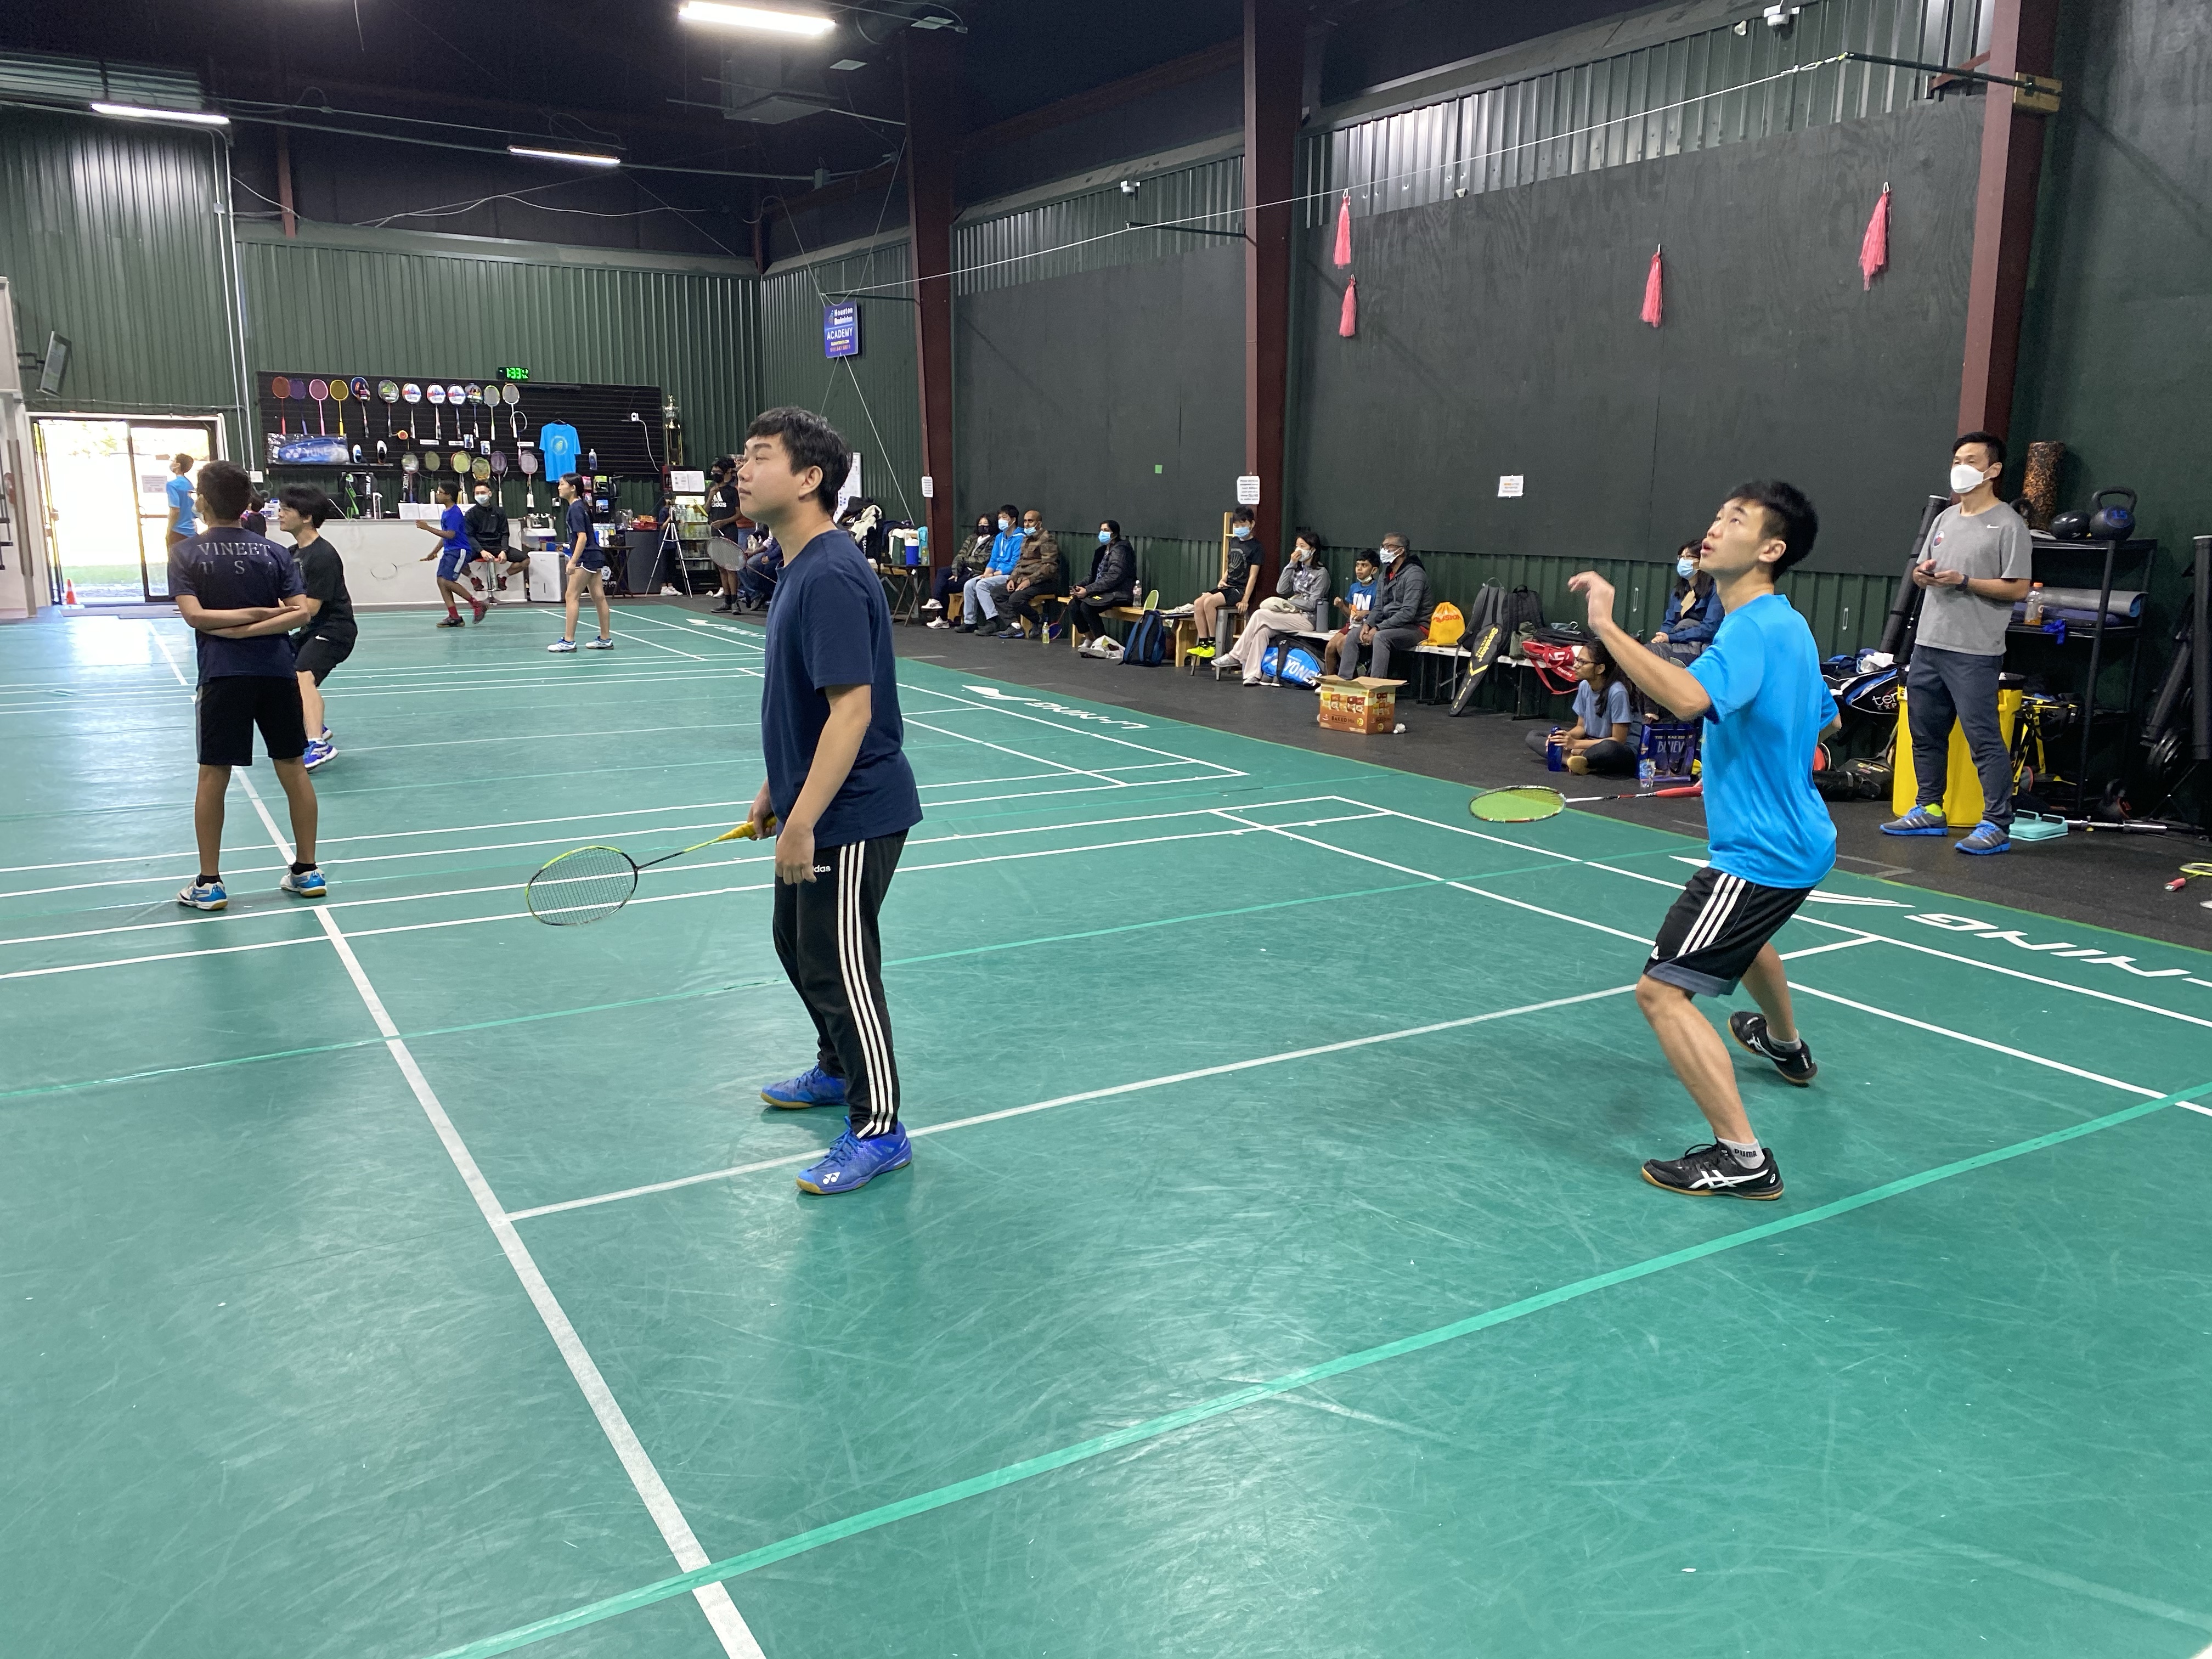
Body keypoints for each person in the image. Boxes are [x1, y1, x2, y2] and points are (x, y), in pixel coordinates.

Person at [1568, 480, 1838, 1200]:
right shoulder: (1789, 625)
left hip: (1762, 851)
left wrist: (1608, 628)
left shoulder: (1750, 631)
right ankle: (1785, 1046)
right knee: (1749, 941)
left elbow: (1688, 699)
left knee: (1661, 994)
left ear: (1772, 548)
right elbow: (1827, 718)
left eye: (1736, 520)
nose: (1714, 529)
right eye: (1718, 515)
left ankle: (1743, 1158)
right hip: (1802, 839)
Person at [737, 407, 923, 1196]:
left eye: (760, 456)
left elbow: (852, 712)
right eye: (742, 457)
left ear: (810, 478)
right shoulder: (797, 566)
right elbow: (805, 705)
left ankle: (880, 1128)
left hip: (852, 813)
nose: (741, 470)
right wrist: (776, 788)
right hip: (815, 801)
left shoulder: (833, 574)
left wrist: (804, 819)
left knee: (843, 968)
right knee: (798, 945)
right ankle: (835, 1066)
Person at [168, 459, 325, 911]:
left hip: (223, 674)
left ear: (202, 501)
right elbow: (296, 612)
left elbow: (198, 617)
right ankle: (307, 870)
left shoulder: (185, 554)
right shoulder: (274, 552)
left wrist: (235, 630)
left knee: (213, 773)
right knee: (292, 767)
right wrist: (263, 615)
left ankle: (209, 883)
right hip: (277, 670)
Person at [1883, 431, 2034, 855]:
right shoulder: (1945, 519)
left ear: (1993, 470)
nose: (1961, 468)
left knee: (1983, 738)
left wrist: (1965, 581)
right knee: (1925, 732)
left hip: (1975, 651)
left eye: (1971, 460)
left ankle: (1997, 823)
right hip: (1929, 644)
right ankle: (1929, 809)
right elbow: (1921, 574)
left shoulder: (2009, 525)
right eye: (1956, 461)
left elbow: (2019, 588)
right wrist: (1923, 575)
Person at [276, 484, 354, 771]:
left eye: (286, 509)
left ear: (307, 517)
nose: (279, 514)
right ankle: (316, 724)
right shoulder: (291, 553)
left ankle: (318, 744)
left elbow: (310, 609)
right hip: (309, 631)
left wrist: (267, 613)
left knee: (303, 676)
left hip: (334, 630)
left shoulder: (323, 555)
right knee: (279, 674)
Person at [1217, 527, 1330, 685]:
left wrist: (1290, 602)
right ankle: (1253, 675)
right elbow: (1281, 589)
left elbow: (1312, 603)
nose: (1298, 550)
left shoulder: (1321, 573)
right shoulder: (1297, 569)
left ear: (1313, 549)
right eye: (1297, 546)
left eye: (1303, 546)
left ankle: (1236, 655)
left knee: (1260, 615)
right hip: (1292, 615)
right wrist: (1291, 564)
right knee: (1262, 632)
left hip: (1308, 619)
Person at [1525, 640, 1635, 773]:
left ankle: (1576, 757)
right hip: (1588, 742)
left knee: (1608, 748)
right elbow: (1581, 728)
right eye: (1577, 660)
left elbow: (1619, 740)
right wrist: (1565, 737)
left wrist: (1575, 744)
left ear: (1600, 669)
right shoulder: (1584, 686)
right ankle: (1574, 761)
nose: (1576, 665)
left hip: (1613, 749)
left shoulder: (1617, 692)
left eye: (1583, 662)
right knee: (1534, 736)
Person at [1338, 535, 1432, 679]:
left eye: (1389, 547)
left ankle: (1375, 686)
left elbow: (1408, 613)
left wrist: (1378, 628)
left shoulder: (1415, 574)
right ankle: (1345, 682)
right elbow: (1378, 608)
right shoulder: (1385, 575)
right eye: (1383, 546)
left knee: (1380, 637)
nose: (1384, 550)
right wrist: (1368, 625)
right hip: (1389, 625)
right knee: (1353, 635)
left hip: (1415, 627)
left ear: (1401, 551)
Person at [548, 473, 612, 652]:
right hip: (595, 555)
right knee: (599, 597)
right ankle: (605, 639)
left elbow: (582, 538)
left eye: (562, 484)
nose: (559, 487)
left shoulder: (575, 509)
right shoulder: (582, 506)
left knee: (571, 596)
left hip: (586, 558)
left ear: (573, 488)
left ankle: (568, 641)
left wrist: (573, 561)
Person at [1192, 505, 1262, 651]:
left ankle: (1213, 642)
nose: (1239, 528)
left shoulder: (1256, 547)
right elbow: (1231, 565)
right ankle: (1203, 643)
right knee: (1198, 603)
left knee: (1209, 602)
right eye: (1236, 525)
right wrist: (1223, 579)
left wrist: (1245, 599)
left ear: (1252, 524)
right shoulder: (1234, 541)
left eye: (1243, 525)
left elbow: (1253, 576)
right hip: (1228, 586)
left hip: (1239, 589)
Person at [416, 482, 485, 627]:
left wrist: (427, 528)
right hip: (450, 551)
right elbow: (445, 536)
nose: (437, 495)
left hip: (459, 551)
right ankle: (454, 617)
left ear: (448, 496)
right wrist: (434, 552)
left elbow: (450, 535)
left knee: (447, 581)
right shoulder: (446, 512)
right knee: (441, 581)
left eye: (440, 492)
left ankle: (477, 605)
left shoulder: (454, 513)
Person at [1069, 520, 1137, 657]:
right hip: (1101, 592)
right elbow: (1092, 576)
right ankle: (1090, 638)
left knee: (1087, 607)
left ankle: (1103, 644)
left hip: (1118, 593)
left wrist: (1088, 590)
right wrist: (1080, 586)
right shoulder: (1101, 551)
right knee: (1074, 605)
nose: (1102, 533)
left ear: (1114, 534)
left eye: (1106, 531)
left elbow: (1114, 576)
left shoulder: (1121, 550)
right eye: (1101, 530)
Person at [1650, 541, 1723, 664]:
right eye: (1681, 557)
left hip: (1699, 647)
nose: (1683, 561)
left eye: (1689, 557)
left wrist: (1671, 638)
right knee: (1647, 652)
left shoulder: (1715, 590)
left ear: (1701, 561)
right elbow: (1670, 621)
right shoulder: (1679, 591)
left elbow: (1710, 628)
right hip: (1674, 641)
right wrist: (1661, 636)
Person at [995, 508, 1063, 639]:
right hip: (1023, 579)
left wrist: (1029, 581)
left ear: (1039, 524)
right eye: (1025, 521)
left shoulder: (1047, 539)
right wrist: (1012, 579)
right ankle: (1014, 626)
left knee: (1016, 599)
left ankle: (1039, 620)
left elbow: (1050, 567)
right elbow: (1020, 562)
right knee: (997, 592)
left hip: (1043, 582)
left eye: (1030, 521)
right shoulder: (1026, 539)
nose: (1027, 524)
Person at [955, 504, 1023, 633]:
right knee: (970, 584)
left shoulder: (1020, 538)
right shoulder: (1000, 537)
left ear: (1013, 520)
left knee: (982, 585)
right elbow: (994, 559)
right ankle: (970, 622)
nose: (1001, 520)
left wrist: (993, 575)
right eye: (999, 518)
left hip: (1010, 575)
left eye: (1005, 517)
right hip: (996, 573)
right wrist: (987, 573)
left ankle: (993, 621)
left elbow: (1014, 564)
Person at [925, 514, 997, 627]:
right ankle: (935, 600)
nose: (982, 526)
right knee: (942, 572)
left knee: (943, 586)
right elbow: (960, 555)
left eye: (985, 524)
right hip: (963, 569)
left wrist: (964, 561)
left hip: (974, 573)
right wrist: (956, 571)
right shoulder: (972, 538)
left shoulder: (994, 540)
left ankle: (943, 619)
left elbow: (983, 561)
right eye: (980, 524)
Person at [1322, 551, 1380, 676]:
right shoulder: (1354, 587)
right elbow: (1350, 615)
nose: (1359, 568)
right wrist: (1341, 606)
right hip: (1351, 626)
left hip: (1367, 628)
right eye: (1357, 565)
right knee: (1330, 647)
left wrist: (1366, 613)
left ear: (1374, 570)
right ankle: (1330, 680)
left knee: (1342, 643)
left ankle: (1351, 679)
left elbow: (1381, 612)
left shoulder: (1378, 588)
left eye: (1364, 565)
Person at [465, 478, 523, 600]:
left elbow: (505, 534)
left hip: (497, 546)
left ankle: (502, 577)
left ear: (490, 494)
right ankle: (474, 579)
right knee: (456, 559)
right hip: (478, 547)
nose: (480, 495)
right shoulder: (470, 514)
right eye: (477, 493)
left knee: (525, 560)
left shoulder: (499, 512)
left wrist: (504, 551)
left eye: (483, 493)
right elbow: (469, 536)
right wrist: (481, 551)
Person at [705, 456, 749, 612]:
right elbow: (706, 510)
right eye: (713, 471)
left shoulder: (732, 492)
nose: (715, 474)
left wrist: (725, 522)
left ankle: (735, 601)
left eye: (718, 471)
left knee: (731, 567)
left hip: (729, 531)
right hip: (715, 531)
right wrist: (711, 496)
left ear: (726, 472)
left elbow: (739, 514)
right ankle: (727, 601)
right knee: (721, 567)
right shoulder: (711, 489)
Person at [163, 453, 196, 549]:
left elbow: (175, 510)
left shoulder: (172, 485)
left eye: (174, 461)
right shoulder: (189, 484)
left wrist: (169, 531)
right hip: (192, 531)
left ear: (178, 465)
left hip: (178, 532)